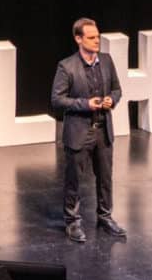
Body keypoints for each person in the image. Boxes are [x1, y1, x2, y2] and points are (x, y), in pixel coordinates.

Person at [50, 17, 127, 243]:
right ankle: (72, 221)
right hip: (79, 132)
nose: (97, 41)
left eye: (98, 37)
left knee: (105, 177)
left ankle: (105, 217)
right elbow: (57, 100)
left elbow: (117, 89)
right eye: (91, 37)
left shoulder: (106, 60)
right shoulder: (67, 66)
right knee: (74, 178)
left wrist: (110, 101)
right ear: (78, 39)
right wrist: (86, 104)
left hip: (103, 130)